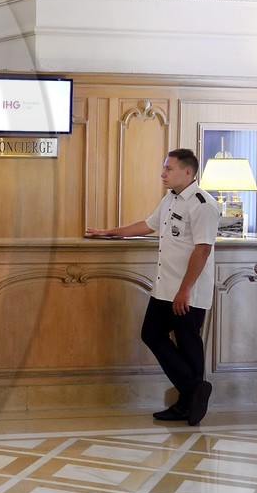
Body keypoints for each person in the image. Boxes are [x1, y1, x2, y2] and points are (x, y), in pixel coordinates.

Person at [87, 148, 220, 425]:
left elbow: (203, 250)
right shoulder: (171, 199)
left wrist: (184, 290)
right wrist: (109, 232)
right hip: (164, 287)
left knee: (188, 344)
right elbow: (148, 225)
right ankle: (193, 390)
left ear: (187, 171)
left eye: (169, 169)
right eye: (164, 168)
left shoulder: (202, 204)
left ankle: (188, 401)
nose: (163, 174)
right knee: (152, 334)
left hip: (188, 291)